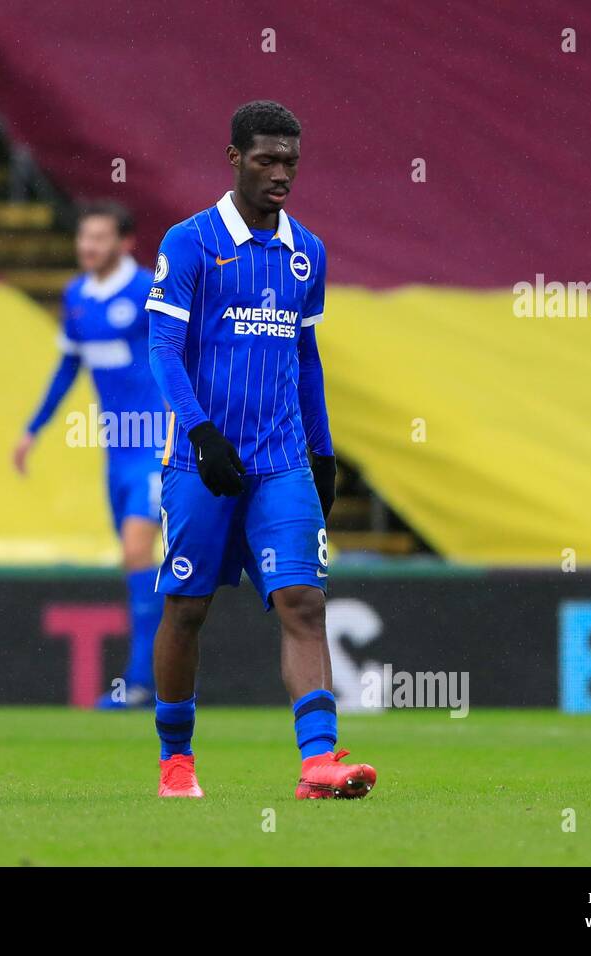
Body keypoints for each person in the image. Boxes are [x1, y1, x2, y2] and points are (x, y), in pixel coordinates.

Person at [143, 101, 377, 798]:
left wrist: (323, 452)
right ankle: (176, 761)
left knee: (303, 601)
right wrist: (200, 431)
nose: (281, 175)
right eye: (267, 160)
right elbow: (161, 347)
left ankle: (318, 764)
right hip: (201, 463)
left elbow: (306, 359)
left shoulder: (308, 251)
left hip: (279, 461)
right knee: (187, 609)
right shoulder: (190, 243)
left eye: (291, 163)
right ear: (235, 158)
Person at [14, 201, 164, 709]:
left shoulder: (148, 290)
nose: (87, 247)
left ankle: (144, 680)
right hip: (116, 451)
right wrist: (33, 429)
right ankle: (162, 671)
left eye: (98, 238)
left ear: (124, 243)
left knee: (137, 551)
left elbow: (183, 352)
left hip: (156, 442)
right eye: (83, 237)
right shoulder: (76, 296)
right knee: (136, 562)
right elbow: (67, 368)